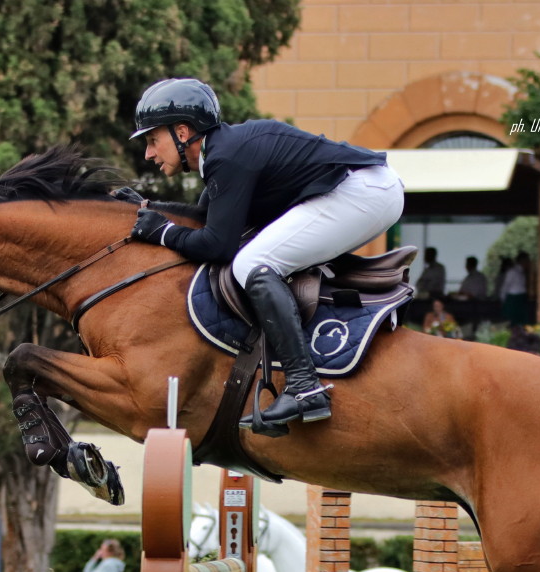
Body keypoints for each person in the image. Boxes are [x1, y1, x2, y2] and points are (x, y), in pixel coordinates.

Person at [126, 77, 404, 433]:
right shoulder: (222, 152)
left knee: (251, 263)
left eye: (152, 140)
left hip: (363, 192)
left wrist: (161, 232)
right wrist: (146, 208)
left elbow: (217, 245)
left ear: (182, 132)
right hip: (367, 190)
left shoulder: (226, 156)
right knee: (256, 261)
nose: (148, 153)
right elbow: (204, 220)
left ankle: (305, 387)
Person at [500, 252, 532, 325]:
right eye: (527, 261)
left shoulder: (522, 272)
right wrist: (503, 301)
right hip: (512, 300)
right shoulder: (512, 272)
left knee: (521, 322)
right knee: (511, 322)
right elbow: (505, 287)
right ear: (523, 261)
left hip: (521, 298)